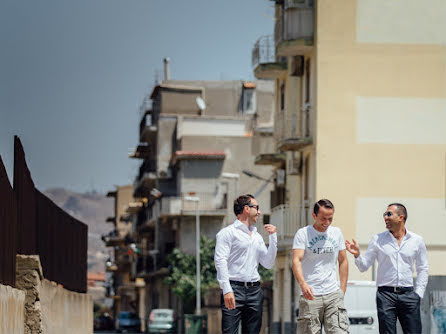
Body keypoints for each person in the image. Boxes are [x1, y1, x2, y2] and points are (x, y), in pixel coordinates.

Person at [345, 203, 428, 334]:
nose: (385, 217)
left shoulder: (417, 240)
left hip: (409, 295)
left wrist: (418, 293)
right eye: (385, 214)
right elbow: (363, 266)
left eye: (389, 214)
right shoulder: (377, 239)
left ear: (401, 217)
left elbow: (423, 268)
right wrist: (357, 255)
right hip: (386, 295)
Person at [214, 194, 277, 334]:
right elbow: (220, 261)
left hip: (255, 291)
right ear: (246, 209)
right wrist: (227, 289)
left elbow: (268, 263)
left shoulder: (257, 236)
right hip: (234, 289)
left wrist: (273, 238)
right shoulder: (227, 233)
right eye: (257, 208)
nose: (259, 212)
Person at [292, 199, 349, 334]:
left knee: (339, 331)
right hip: (311, 294)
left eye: (330, 219)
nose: (327, 223)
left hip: (333, 293)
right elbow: (296, 261)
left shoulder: (336, 233)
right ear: (314, 215)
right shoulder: (303, 233)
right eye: (323, 219)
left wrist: (342, 289)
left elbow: (343, 261)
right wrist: (303, 284)